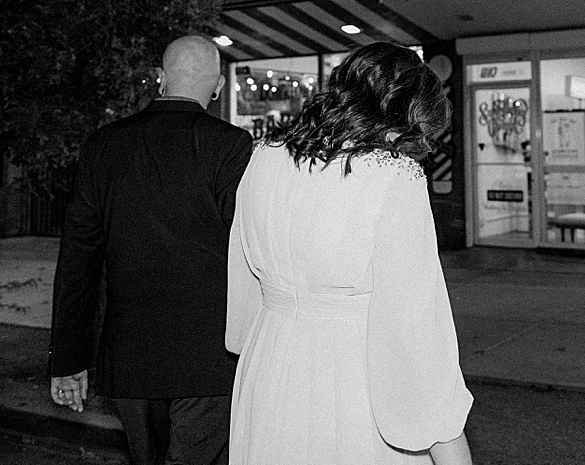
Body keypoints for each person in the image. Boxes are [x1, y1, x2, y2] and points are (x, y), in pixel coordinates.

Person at [225, 42, 474, 465]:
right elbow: (413, 327)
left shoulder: (262, 159)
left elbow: (243, 277)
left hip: (269, 366)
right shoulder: (394, 177)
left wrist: (253, 341)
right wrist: (447, 443)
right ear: (401, 118)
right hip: (353, 381)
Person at [49, 35, 253, 465]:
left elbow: (77, 261)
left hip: (131, 358)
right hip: (208, 359)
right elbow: (251, 249)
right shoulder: (231, 146)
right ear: (217, 87)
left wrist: (68, 358)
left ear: (161, 79)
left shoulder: (104, 145)